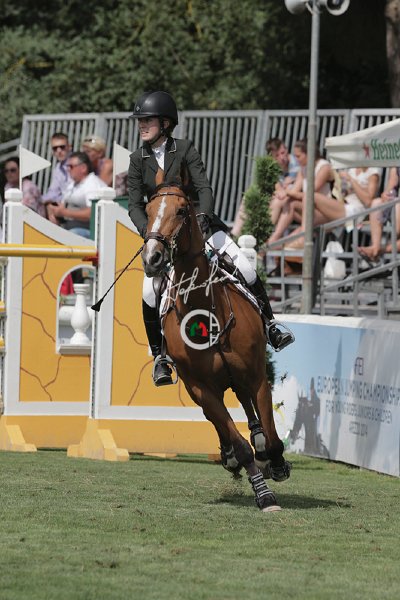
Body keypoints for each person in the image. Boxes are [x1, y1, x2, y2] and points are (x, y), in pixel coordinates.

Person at [128, 91, 295, 386]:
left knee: (245, 266)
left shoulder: (185, 149)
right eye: (140, 121)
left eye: (147, 120)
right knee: (149, 292)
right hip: (163, 236)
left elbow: (204, 188)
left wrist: (203, 216)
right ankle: (160, 358)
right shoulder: (137, 160)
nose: (141, 125)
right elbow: (134, 205)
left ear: (165, 123)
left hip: (200, 227)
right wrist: (150, 233)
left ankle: (271, 326)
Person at [230, 137, 299, 237]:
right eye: (277, 155)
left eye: (283, 153)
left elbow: (292, 188)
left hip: (291, 202)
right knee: (249, 195)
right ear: (272, 157)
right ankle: (234, 234)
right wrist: (281, 187)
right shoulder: (272, 166)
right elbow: (277, 187)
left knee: (277, 202)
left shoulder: (296, 163)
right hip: (280, 197)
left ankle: (262, 236)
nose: (282, 157)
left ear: (286, 149)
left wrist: (282, 188)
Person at [272, 138, 335, 247]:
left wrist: (287, 192)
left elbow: (310, 194)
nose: (296, 159)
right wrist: (283, 193)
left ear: (309, 154)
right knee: (289, 202)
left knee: (295, 201)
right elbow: (294, 191)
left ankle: (277, 239)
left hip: (326, 214)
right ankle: (273, 238)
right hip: (310, 212)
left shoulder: (324, 167)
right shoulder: (303, 169)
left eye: (298, 156)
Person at [47, 151, 107, 238]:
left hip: (91, 232)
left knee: (72, 234)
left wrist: (64, 213)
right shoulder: (73, 184)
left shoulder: (92, 184)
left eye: (71, 166)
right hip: (70, 227)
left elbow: (92, 213)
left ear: (83, 168)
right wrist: (55, 212)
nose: (68, 169)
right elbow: (63, 206)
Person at [358, 166, 400, 260]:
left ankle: (379, 250)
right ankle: (375, 246)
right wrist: (386, 195)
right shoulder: (396, 166)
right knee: (376, 203)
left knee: (398, 206)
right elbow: (390, 189)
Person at [42, 132, 72, 217]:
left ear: (69, 147)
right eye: (55, 148)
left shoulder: (75, 164)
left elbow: (73, 192)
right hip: (64, 204)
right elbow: (53, 191)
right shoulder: (58, 168)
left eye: (62, 147)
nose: (59, 151)